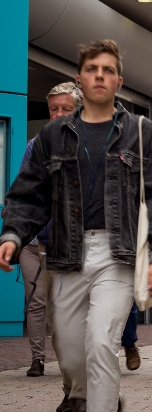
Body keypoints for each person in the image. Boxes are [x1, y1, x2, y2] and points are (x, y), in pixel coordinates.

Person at [0, 39, 152, 412]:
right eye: (92, 69)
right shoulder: (52, 136)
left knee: (101, 342)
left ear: (119, 80)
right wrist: (13, 234)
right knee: (73, 357)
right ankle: (107, 400)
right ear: (80, 80)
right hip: (66, 255)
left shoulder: (140, 131)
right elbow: (28, 194)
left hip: (116, 255)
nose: (99, 75)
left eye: (107, 69)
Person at [16, 84, 80, 382]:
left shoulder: (94, 143)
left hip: (85, 244)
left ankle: (81, 386)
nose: (58, 115)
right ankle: (52, 371)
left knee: (79, 316)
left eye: (66, 109)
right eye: (53, 109)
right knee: (50, 311)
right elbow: (26, 191)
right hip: (44, 242)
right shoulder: (36, 145)